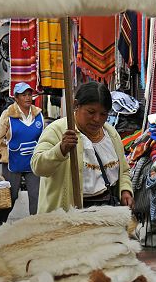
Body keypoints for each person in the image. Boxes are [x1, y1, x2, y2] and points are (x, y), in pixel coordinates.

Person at [31, 81, 133, 212]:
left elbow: (124, 170)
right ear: (75, 105)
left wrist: (125, 190)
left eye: (103, 114)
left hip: (107, 213)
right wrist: (60, 149)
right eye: (91, 112)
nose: (97, 119)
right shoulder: (57, 130)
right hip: (66, 219)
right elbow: (38, 167)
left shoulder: (111, 134)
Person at [0, 82, 44, 226]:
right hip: (12, 161)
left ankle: (35, 226)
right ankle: (0, 222)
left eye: (29, 94)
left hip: (33, 161)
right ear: (16, 98)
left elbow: (44, 137)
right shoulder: (8, 114)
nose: (27, 97)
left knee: (36, 195)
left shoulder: (38, 114)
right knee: (11, 195)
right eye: (24, 95)